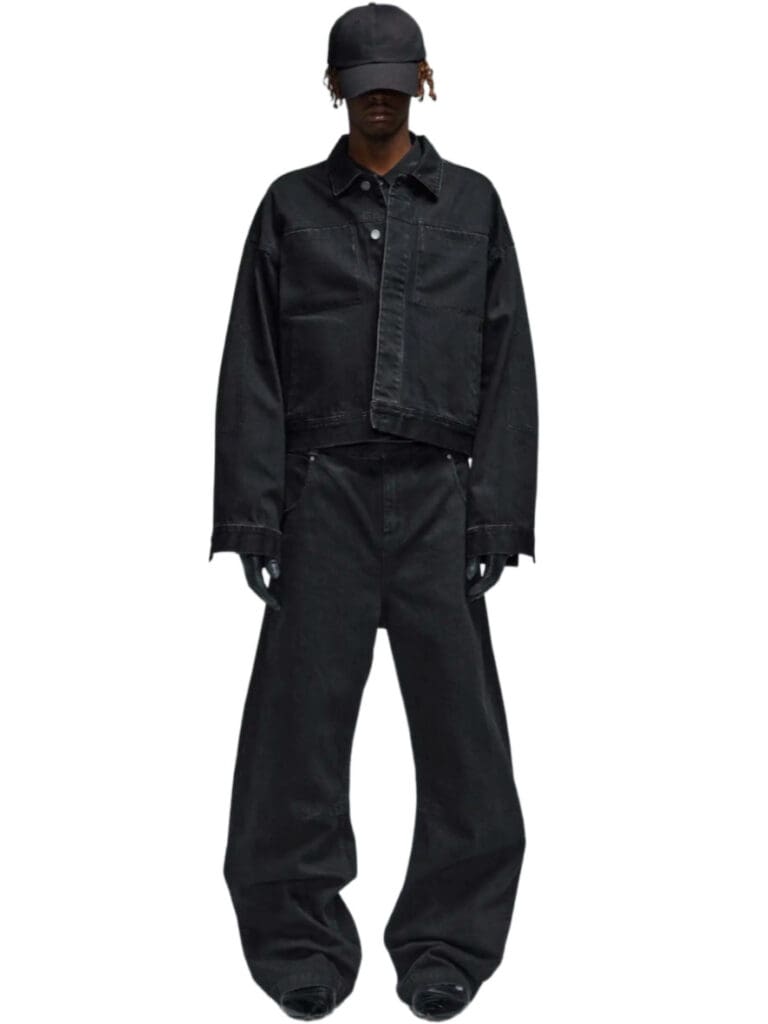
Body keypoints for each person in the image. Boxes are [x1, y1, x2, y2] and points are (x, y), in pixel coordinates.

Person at [209, 4, 539, 1019]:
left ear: (425, 80)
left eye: (396, 81)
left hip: (440, 496)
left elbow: (508, 365)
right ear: (334, 88)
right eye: (363, 83)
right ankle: (297, 941)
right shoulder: (289, 208)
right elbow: (253, 365)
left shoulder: (472, 205)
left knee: (463, 738)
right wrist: (253, 514)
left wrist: (496, 514)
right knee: (295, 738)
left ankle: (447, 941)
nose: (380, 99)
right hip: (322, 499)